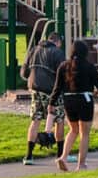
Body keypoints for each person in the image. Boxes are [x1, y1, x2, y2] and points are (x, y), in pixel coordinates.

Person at [51, 39, 98, 172]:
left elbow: (57, 87)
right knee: (84, 133)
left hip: (68, 100)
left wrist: (51, 102)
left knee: (73, 130)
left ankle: (63, 157)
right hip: (85, 100)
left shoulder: (63, 66)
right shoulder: (89, 66)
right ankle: (81, 164)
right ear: (85, 52)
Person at [20, 32, 66, 165]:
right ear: (57, 42)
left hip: (35, 89)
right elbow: (63, 73)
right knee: (59, 120)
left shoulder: (34, 49)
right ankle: (60, 155)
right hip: (51, 91)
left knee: (35, 120)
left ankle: (28, 156)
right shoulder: (57, 53)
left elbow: (24, 72)